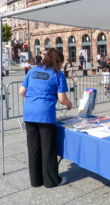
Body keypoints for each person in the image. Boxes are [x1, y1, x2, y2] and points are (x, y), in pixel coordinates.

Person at [19, 48, 73, 188]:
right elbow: (61, 98)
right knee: (48, 149)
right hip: (45, 115)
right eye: (60, 62)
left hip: (29, 113)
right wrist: (69, 104)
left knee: (34, 148)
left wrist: (34, 99)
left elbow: (21, 91)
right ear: (57, 61)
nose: (61, 65)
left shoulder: (32, 71)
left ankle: (36, 181)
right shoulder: (57, 74)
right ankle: (51, 181)